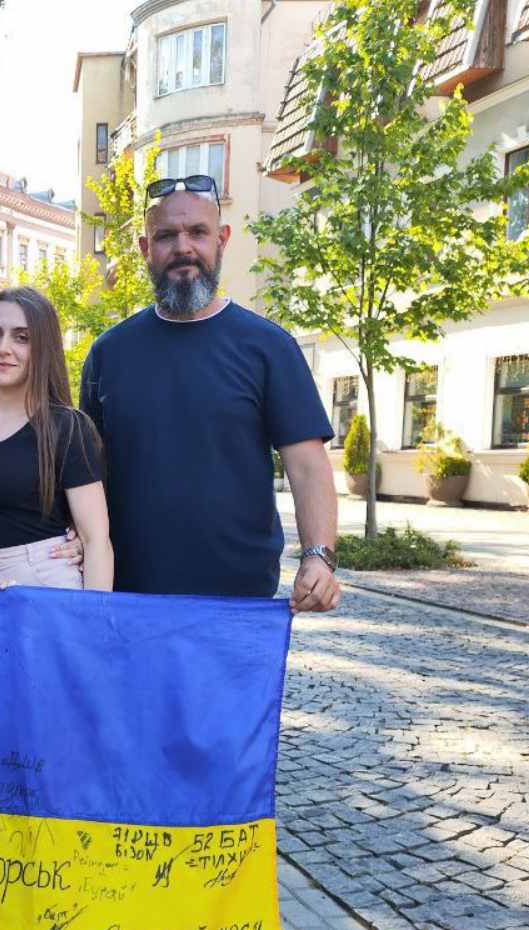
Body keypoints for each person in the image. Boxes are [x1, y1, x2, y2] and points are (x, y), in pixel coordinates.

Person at [79, 175, 341, 612]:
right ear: (145, 249)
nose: (183, 247)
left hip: (238, 602)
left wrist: (318, 557)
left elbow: (308, 466)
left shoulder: (268, 348)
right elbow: (87, 473)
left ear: (221, 240)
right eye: (166, 236)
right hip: (127, 598)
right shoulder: (109, 353)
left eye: (198, 232)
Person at [0, 286, 112, 590]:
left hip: (45, 581)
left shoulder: (68, 427)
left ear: (43, 348)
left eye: (22, 338)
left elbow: (95, 540)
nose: (3, 348)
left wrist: (93, 616)